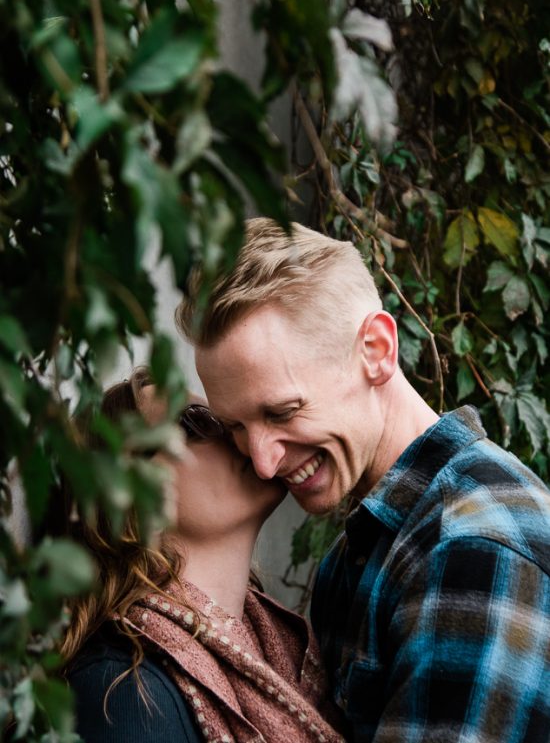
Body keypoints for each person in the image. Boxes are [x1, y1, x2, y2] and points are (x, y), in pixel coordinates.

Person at [176, 217, 550, 742]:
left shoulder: (471, 547)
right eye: (237, 426)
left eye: (283, 411)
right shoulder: (358, 558)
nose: (262, 462)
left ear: (376, 350)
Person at [62, 367, 345, 743]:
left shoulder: (287, 648)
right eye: (196, 424)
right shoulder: (122, 694)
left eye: (227, 420)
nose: (237, 436)